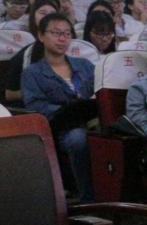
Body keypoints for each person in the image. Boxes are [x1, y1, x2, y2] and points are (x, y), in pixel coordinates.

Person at [21, 13, 95, 202]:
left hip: (92, 122)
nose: (62, 39)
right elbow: (35, 106)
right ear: (41, 36)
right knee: (78, 138)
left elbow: (99, 91)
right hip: (60, 127)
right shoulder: (32, 72)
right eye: (56, 33)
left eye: (67, 34)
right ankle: (86, 198)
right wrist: (69, 110)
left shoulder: (85, 65)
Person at [4, 0, 60, 103]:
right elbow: (10, 94)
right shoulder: (28, 52)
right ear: (33, 17)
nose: (48, 17)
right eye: (43, 13)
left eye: (52, 14)